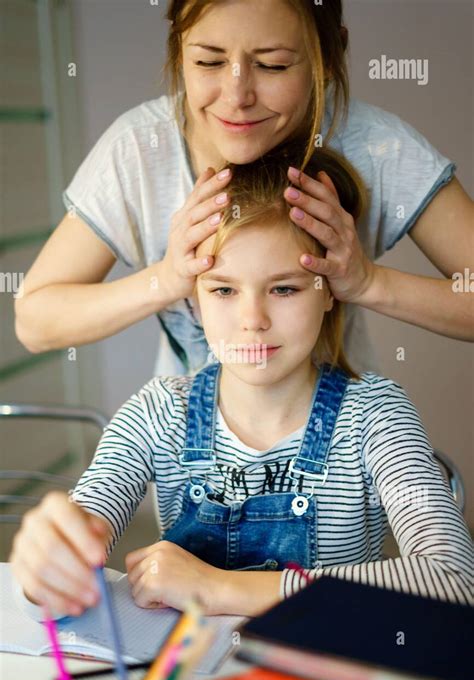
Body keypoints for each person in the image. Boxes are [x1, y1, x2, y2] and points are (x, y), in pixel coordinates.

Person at [11, 140, 474, 620]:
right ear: (194, 297)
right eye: (224, 289)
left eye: (284, 288)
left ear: (330, 291)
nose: (252, 319)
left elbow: (452, 581)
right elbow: (71, 554)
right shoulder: (157, 412)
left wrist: (219, 589)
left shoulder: (376, 415)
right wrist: (50, 563)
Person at [14, 0, 474, 378]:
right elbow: (35, 320)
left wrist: (369, 282)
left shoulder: (377, 147)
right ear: (178, 53)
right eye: (208, 61)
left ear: (329, 58)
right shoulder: (138, 149)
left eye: (272, 65)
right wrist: (168, 279)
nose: (237, 96)